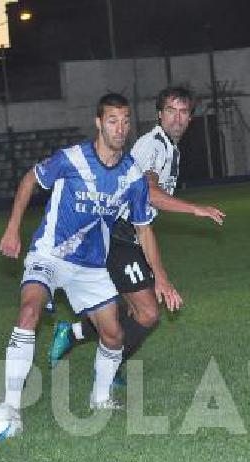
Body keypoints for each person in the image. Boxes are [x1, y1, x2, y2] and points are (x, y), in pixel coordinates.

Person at [0, 93, 181, 412]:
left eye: (125, 121)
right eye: (112, 121)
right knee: (29, 313)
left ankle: (100, 398)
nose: (120, 128)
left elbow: (143, 228)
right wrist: (12, 228)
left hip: (92, 266)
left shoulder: (132, 175)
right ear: (99, 123)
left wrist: (161, 278)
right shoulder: (72, 159)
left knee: (114, 335)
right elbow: (30, 180)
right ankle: (10, 407)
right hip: (50, 256)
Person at [47, 86, 226, 388]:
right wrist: (195, 209)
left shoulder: (169, 147)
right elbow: (151, 194)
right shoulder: (152, 145)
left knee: (126, 310)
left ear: (190, 118)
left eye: (184, 112)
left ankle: (73, 334)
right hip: (117, 236)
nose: (177, 118)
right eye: (171, 110)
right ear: (159, 114)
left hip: (129, 237)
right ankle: (109, 368)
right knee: (147, 312)